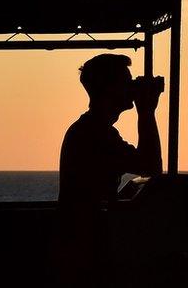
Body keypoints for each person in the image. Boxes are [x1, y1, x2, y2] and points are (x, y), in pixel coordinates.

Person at [57, 53, 163, 286]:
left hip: (82, 244)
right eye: (127, 82)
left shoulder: (90, 129)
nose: (132, 87)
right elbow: (151, 165)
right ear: (110, 89)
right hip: (87, 250)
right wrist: (146, 112)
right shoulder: (95, 134)